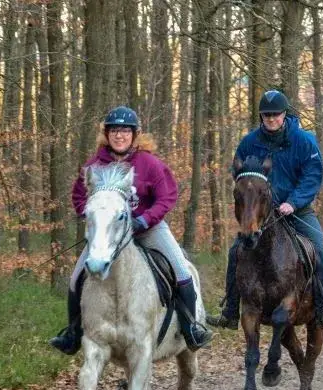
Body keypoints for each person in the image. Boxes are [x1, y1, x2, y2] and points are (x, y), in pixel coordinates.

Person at [49, 106, 213, 354]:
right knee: (76, 278)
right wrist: (96, 218)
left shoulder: (150, 164)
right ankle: (73, 333)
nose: (119, 135)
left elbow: (167, 197)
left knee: (180, 269)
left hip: (148, 229)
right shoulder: (94, 166)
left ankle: (191, 327)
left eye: (125, 131)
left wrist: (145, 220)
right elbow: (79, 198)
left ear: (135, 135)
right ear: (107, 134)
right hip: (109, 235)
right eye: (114, 130)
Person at [206, 90, 323, 330]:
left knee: (320, 250)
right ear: (261, 116)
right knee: (235, 252)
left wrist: (293, 201)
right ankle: (229, 312)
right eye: (266, 115)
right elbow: (240, 174)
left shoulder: (304, 141)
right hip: (262, 215)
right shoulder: (249, 142)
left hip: (297, 211)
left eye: (275, 115)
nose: (271, 119)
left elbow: (312, 176)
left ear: (284, 114)